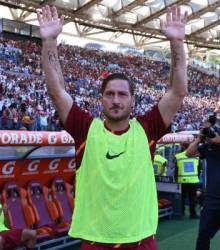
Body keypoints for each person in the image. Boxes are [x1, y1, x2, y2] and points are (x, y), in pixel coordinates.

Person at [38, 4, 188, 249]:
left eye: (122, 94)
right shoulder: (86, 129)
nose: (116, 100)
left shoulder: (147, 128)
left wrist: (177, 43)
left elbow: (178, 91)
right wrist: (49, 42)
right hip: (97, 241)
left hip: (141, 239)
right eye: (109, 94)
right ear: (101, 99)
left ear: (132, 100)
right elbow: (56, 91)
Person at [186, 121, 220, 250]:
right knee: (203, 235)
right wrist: (199, 138)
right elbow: (188, 153)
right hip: (211, 199)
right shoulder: (208, 147)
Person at [0, 186, 36, 250]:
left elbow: (7, 225)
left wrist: (6, 215)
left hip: (6, 231)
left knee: (32, 233)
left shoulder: (0, 206)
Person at [175, 144, 200, 218]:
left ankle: (181, 212)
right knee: (192, 198)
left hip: (182, 180)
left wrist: (176, 179)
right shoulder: (196, 156)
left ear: (183, 147)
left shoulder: (178, 156)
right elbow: (199, 169)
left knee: (182, 197)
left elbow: (176, 170)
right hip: (193, 180)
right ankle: (192, 214)